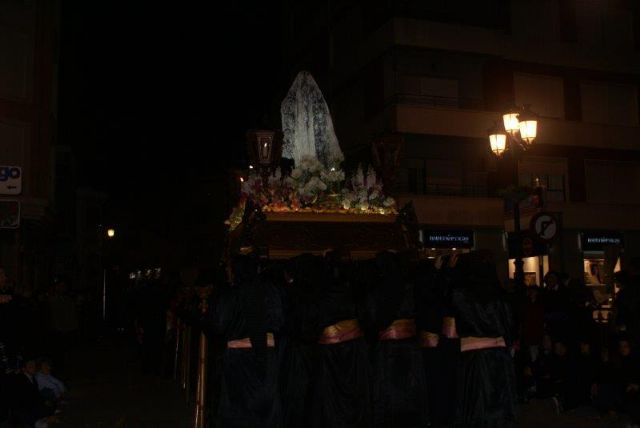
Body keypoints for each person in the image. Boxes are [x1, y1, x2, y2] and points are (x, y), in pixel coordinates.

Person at [206, 255, 285, 428]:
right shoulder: (270, 291)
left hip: (238, 359)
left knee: (238, 411)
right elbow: (279, 322)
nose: (228, 273)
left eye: (229, 270)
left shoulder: (231, 294)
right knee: (265, 410)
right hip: (266, 357)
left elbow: (218, 324)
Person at [447, 251, 517, 427]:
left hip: (473, 360)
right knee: (497, 408)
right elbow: (509, 328)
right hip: (498, 358)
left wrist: (451, 272)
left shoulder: (461, 295)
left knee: (475, 408)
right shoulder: (500, 297)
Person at [364, 252, 427, 428]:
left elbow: (372, 319)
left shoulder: (376, 291)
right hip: (410, 348)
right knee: (409, 390)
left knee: (389, 392)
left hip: (388, 350)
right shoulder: (409, 287)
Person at [310, 250, 371, 428]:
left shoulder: (320, 289)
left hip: (332, 349)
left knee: (332, 394)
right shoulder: (355, 287)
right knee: (350, 391)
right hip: (352, 348)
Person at [280, 254, 323, 428]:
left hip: (299, 353)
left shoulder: (294, 293)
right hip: (313, 352)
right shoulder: (318, 291)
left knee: (299, 398)